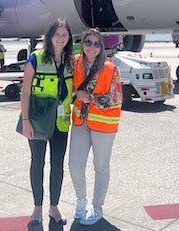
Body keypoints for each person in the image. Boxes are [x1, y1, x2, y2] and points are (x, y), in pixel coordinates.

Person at [19, 18, 74, 231]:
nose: (61, 38)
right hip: (38, 120)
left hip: (61, 121)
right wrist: (25, 121)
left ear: (69, 38)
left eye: (65, 34)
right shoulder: (36, 58)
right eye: (57, 34)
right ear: (50, 36)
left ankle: (54, 207)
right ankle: (36, 208)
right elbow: (25, 92)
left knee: (57, 165)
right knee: (37, 163)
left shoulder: (70, 61)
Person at [69, 28, 122, 226]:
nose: (92, 47)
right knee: (75, 165)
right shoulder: (75, 63)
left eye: (96, 44)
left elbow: (116, 98)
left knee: (101, 166)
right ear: (82, 44)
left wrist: (89, 98)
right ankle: (81, 200)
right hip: (80, 122)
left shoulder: (110, 68)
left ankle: (97, 207)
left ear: (102, 47)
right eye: (88, 42)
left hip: (103, 124)